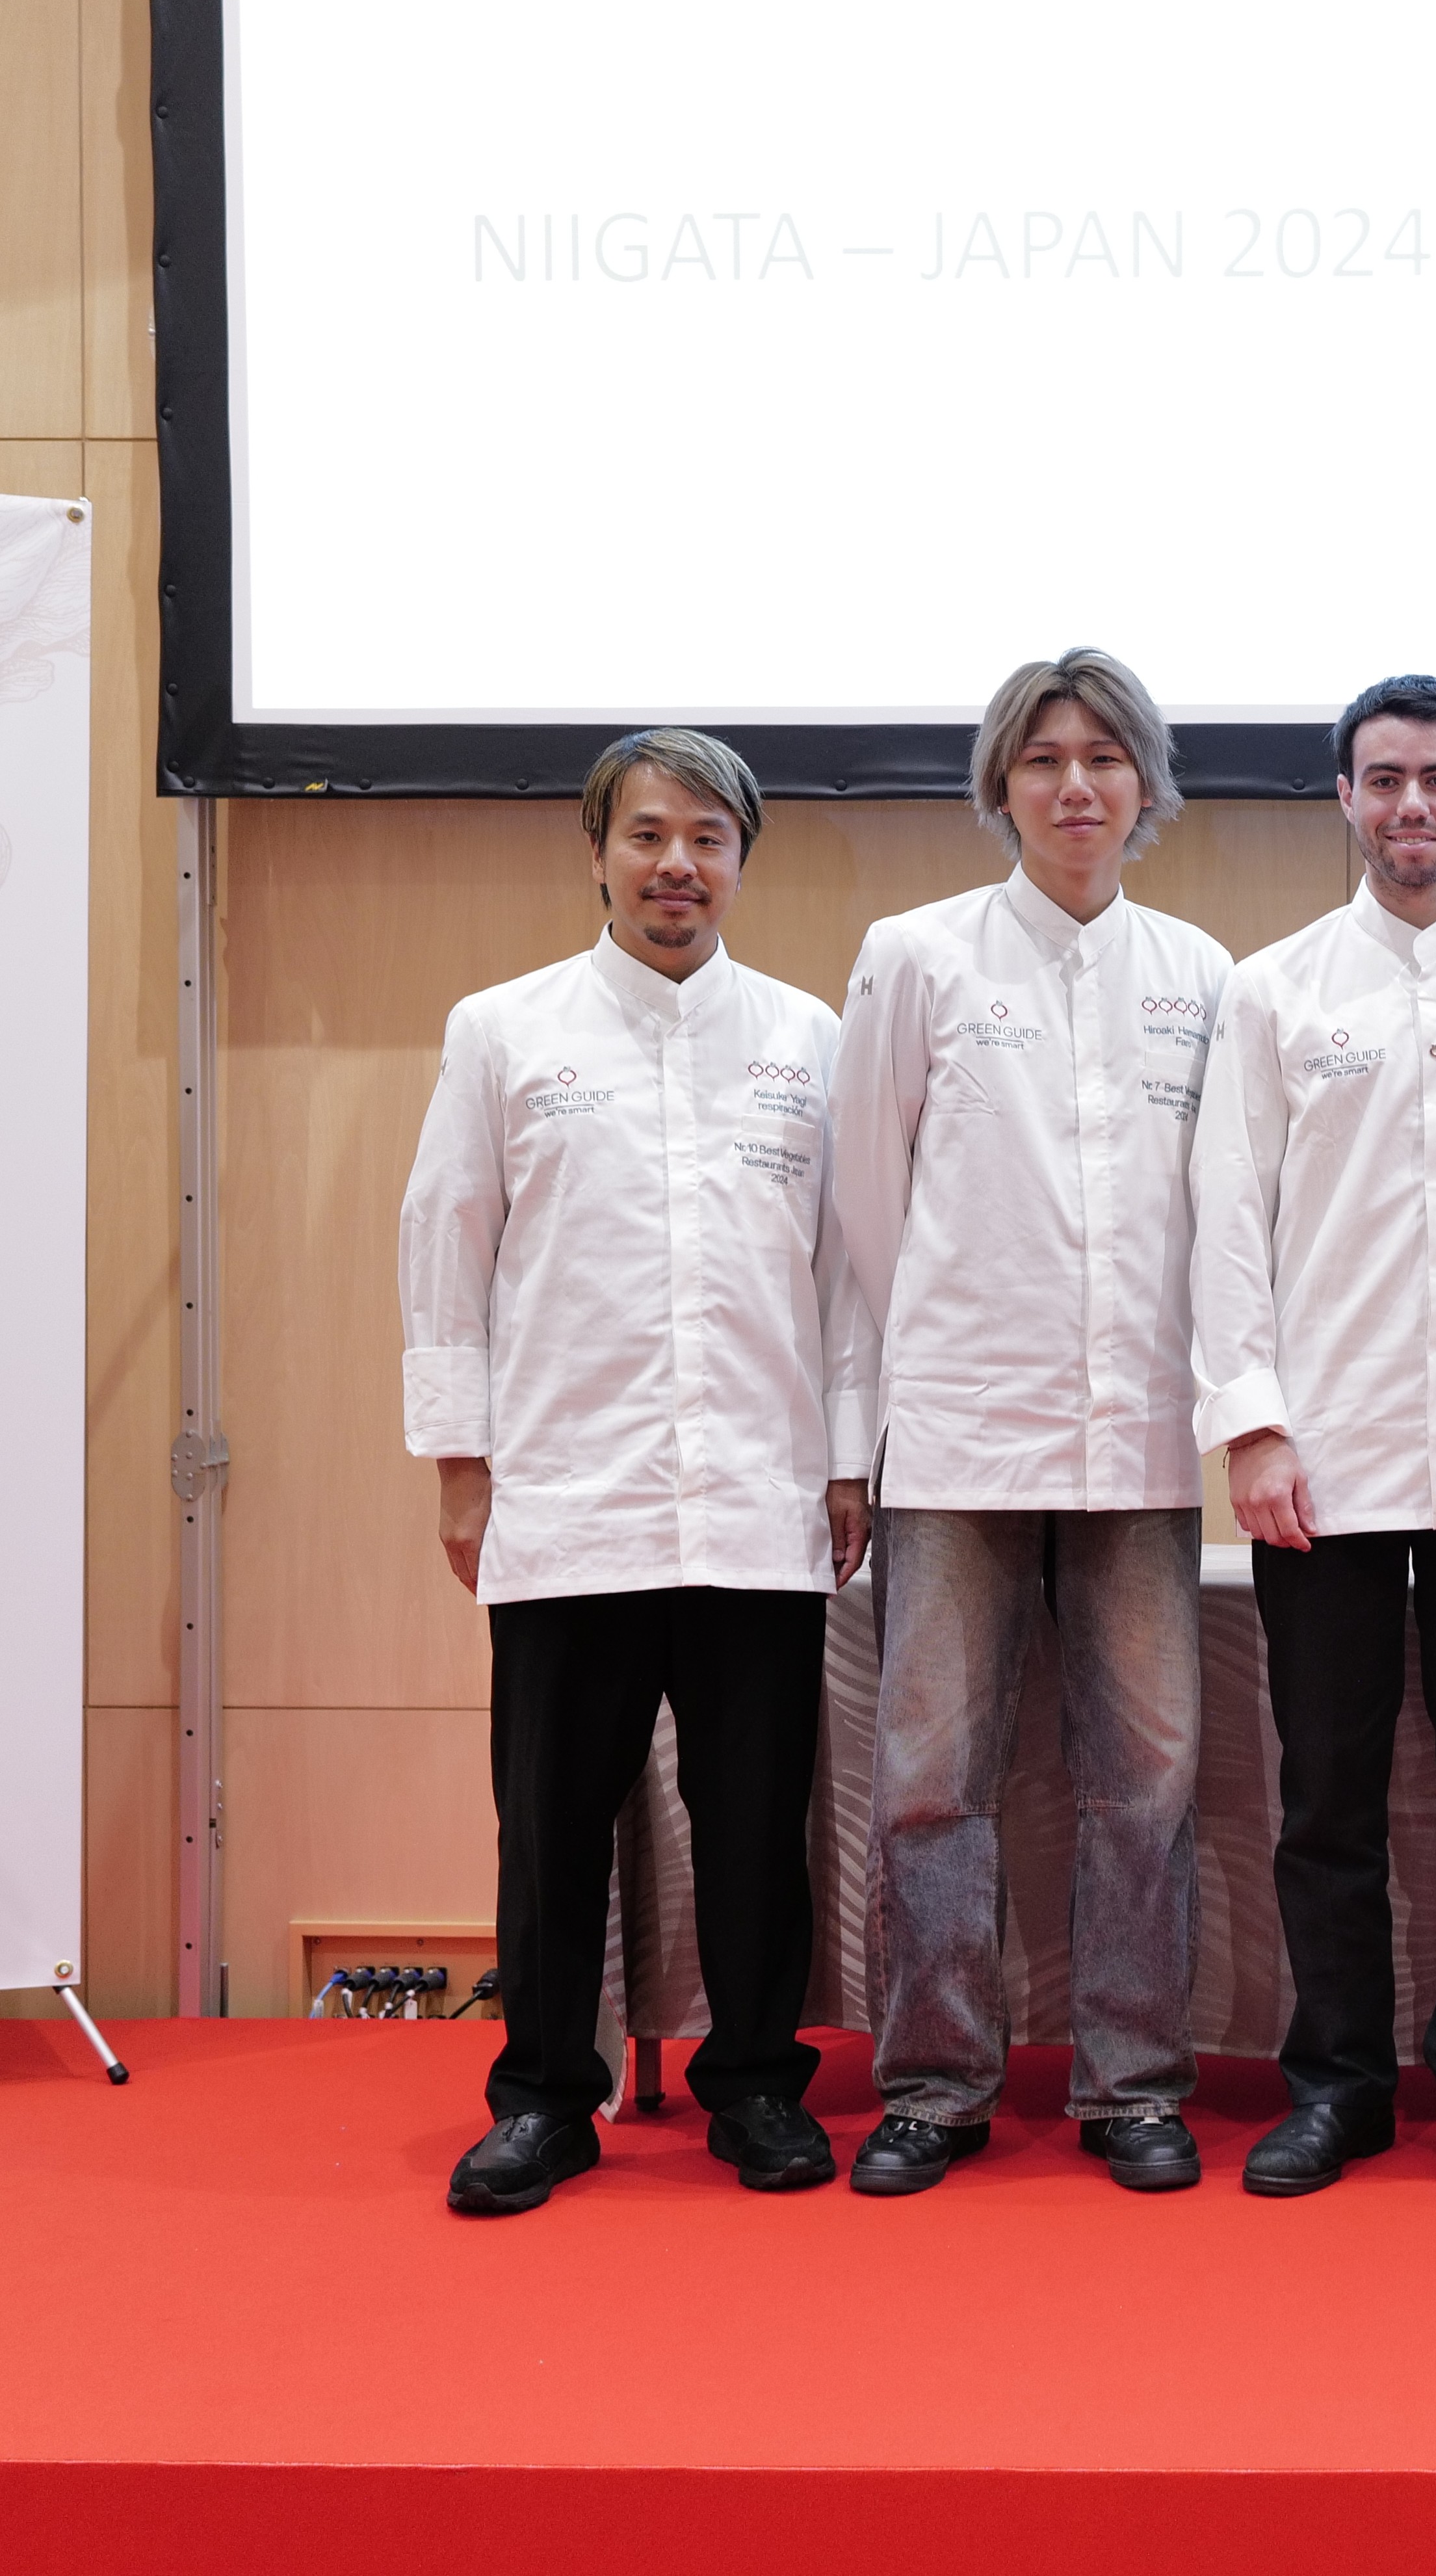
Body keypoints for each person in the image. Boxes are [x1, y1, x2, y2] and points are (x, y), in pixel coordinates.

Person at [402, 728, 872, 2215]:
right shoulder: (505, 1030)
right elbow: (446, 1250)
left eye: (708, 839)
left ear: (741, 860)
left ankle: (756, 2083)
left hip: (757, 1498)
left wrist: (849, 1459)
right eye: (649, 835)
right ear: (599, 852)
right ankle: (545, 2095)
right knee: (551, 1828)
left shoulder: (808, 1037)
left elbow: (847, 1277)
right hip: (571, 1499)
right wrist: (462, 1464)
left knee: (757, 1824)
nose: (679, 864)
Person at [829, 648, 1231, 2196]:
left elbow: (1220, 1217)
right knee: (932, 1779)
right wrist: (897, 1395)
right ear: (1002, 782)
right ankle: (934, 2084)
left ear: (1145, 788)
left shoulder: (1200, 973)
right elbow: (868, 1204)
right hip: (957, 1436)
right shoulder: (917, 955)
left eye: (1105, 758)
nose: (1076, 785)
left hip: (1140, 1437)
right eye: (1046, 758)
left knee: (1147, 1782)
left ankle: (1133, 2084)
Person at [1192, 674, 1436, 2199]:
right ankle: (1341, 2084)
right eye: (1383, 779)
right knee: (1327, 1798)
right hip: (1327, 1458)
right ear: (1345, 798)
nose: (1410, 804)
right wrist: (1253, 1426)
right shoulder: (1273, 989)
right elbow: (1227, 1221)